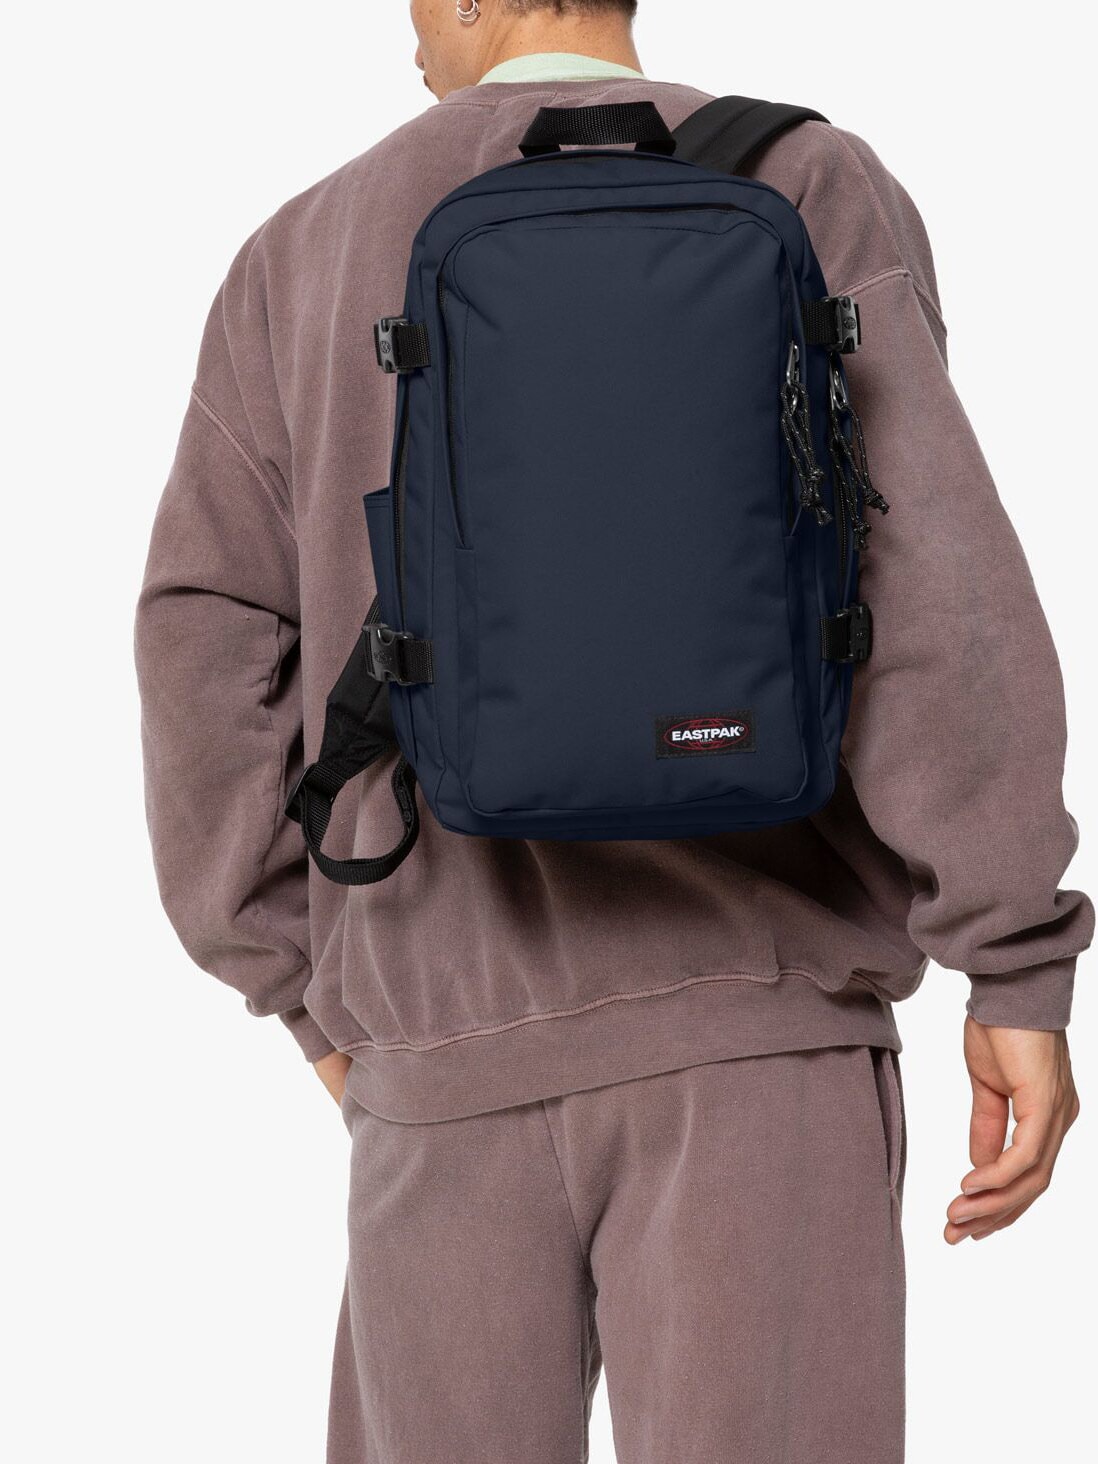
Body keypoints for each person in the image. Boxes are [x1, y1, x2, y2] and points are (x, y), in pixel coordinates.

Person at [136, 2, 1091, 1459]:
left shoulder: (304, 246)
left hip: (437, 1060)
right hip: (761, 1046)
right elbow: (931, 583)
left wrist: (298, 983)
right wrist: (1013, 958)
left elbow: (204, 638)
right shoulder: (807, 181)